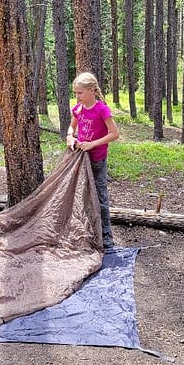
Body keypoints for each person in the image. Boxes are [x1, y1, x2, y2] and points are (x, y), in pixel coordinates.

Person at [66, 72, 120, 249]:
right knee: (84, 195)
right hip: (81, 159)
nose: (77, 96)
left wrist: (92, 144)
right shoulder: (79, 108)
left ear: (91, 91)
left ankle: (106, 236)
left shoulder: (101, 109)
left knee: (100, 197)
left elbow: (114, 134)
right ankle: (89, 231)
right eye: (75, 93)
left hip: (97, 160)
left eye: (80, 93)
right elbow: (72, 127)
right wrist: (70, 137)